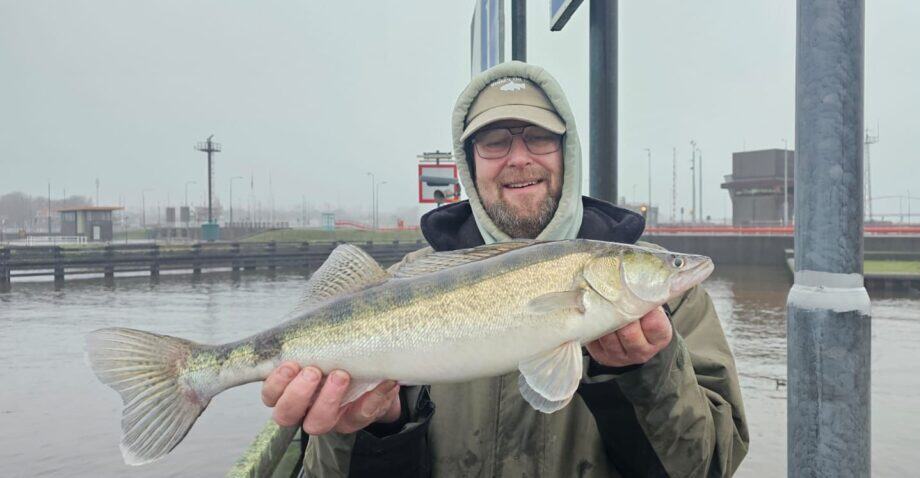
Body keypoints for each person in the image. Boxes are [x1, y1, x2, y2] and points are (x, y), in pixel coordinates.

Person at [260, 61, 748, 477]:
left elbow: (709, 466)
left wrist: (645, 375)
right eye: (494, 142)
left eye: (539, 138)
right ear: (469, 164)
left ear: (567, 152)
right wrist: (375, 427)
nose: (518, 158)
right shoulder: (406, 282)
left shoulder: (671, 304)